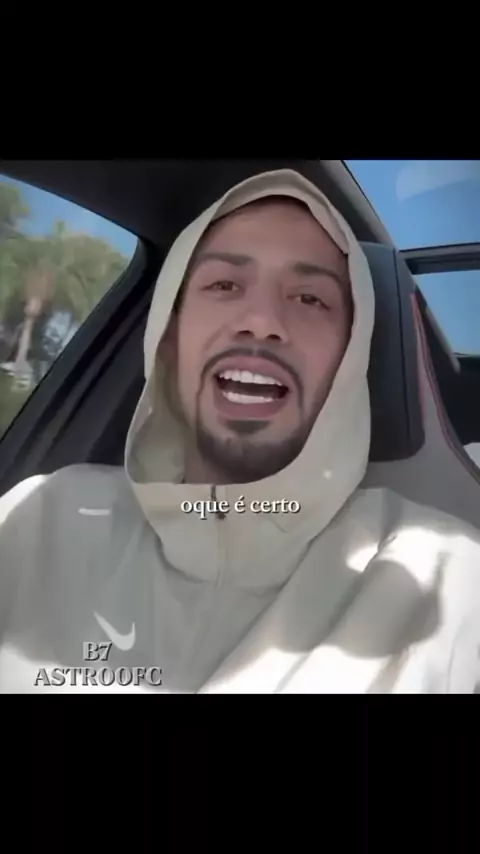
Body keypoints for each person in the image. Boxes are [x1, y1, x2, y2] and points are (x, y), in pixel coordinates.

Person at [1, 168, 480, 694]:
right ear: (168, 338)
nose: (262, 321)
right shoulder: (37, 519)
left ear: (349, 358)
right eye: (224, 285)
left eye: (310, 298)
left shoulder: (450, 582)